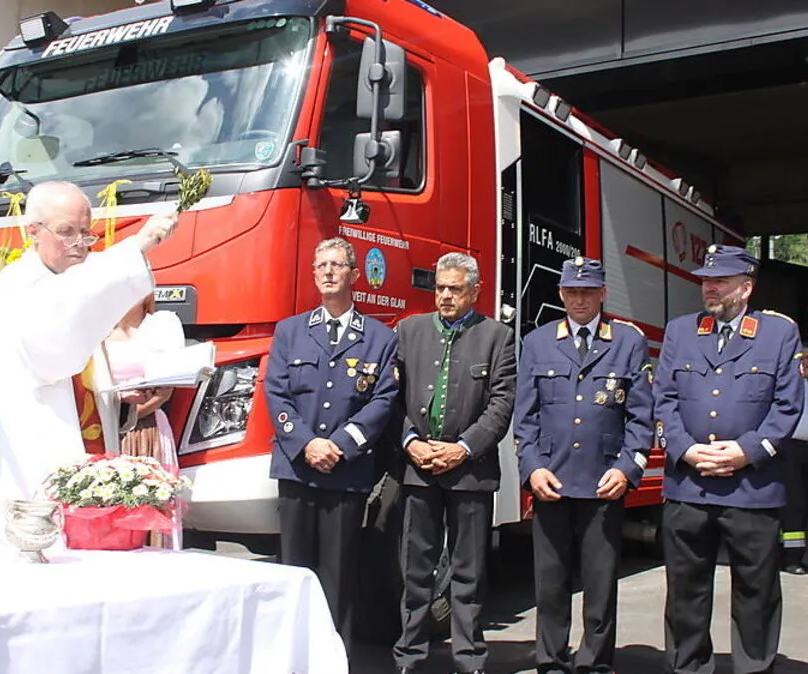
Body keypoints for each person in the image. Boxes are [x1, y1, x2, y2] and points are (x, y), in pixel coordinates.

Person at [0, 181, 178, 551]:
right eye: (66, 231)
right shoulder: (21, 283)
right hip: (28, 445)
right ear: (33, 231)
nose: (79, 244)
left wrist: (120, 400)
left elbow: (84, 348)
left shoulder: (66, 283)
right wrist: (139, 243)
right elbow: (55, 348)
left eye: (85, 233)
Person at [653, 244, 802, 674]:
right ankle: (688, 666)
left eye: (720, 281)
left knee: (756, 592)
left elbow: (787, 406)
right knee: (686, 591)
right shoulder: (681, 332)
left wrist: (746, 452)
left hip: (752, 488)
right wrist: (684, 448)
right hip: (690, 485)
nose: (710, 288)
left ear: (746, 288)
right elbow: (663, 399)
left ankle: (754, 666)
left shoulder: (777, 334)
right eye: (706, 281)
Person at [514, 257, 653, 674]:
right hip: (551, 481)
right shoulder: (538, 342)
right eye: (572, 292)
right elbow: (525, 418)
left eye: (588, 292)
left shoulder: (627, 342)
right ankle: (551, 661)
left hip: (603, 480)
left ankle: (595, 662)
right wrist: (532, 468)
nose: (579, 300)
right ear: (561, 294)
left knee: (600, 583)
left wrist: (627, 468)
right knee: (550, 583)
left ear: (603, 294)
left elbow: (641, 418)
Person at [264, 237, 398, 652]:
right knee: (294, 573)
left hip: (346, 473)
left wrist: (339, 445)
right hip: (298, 469)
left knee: (338, 576)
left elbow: (383, 400)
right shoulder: (290, 331)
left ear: (354, 275)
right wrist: (306, 443)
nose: (327, 272)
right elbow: (276, 393)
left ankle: (334, 659)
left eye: (336, 265)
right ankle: (293, 657)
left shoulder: (379, 338)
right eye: (321, 265)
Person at [392, 252, 516, 674]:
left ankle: (469, 658)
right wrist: (410, 441)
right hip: (419, 469)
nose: (445, 296)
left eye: (455, 289)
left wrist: (463, 448)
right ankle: (409, 655)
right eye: (440, 288)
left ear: (475, 291)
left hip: (470, 473)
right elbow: (391, 399)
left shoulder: (498, 337)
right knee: (416, 570)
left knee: (469, 573)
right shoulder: (408, 331)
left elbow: (501, 404)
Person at [100, 294, 183, 549]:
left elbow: (165, 390)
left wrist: (132, 414)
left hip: (147, 431)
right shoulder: (97, 330)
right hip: (104, 428)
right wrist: (115, 414)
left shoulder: (161, 325)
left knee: (147, 506)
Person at [781, 340, 808, 575]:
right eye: (805, 358)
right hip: (790, 449)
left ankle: (797, 555)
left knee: (807, 501)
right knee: (793, 504)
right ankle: (789, 558)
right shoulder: (789, 385)